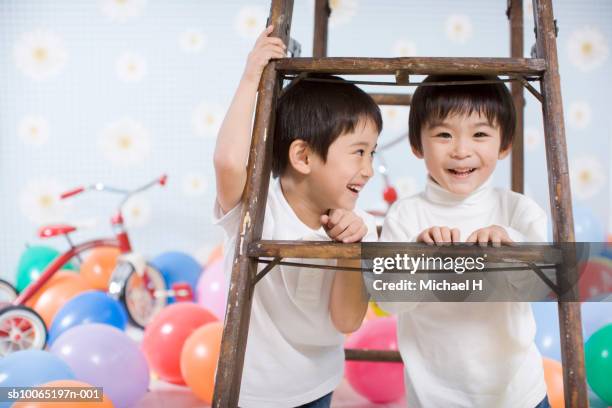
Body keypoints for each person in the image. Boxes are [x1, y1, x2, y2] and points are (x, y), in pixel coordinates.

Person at [213, 25, 382, 407]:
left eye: (372, 154)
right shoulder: (255, 208)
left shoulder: (361, 225)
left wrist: (349, 250)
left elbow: (347, 321)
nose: (369, 169)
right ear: (303, 157)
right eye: (358, 152)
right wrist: (250, 77)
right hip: (250, 391)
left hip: (317, 387)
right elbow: (227, 160)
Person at [379, 74, 551, 408]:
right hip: (434, 397)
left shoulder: (517, 210)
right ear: (417, 144)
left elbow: (541, 285)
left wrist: (509, 246)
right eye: (443, 134)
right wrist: (418, 258)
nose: (461, 150)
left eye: (480, 134)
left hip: (517, 392)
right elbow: (388, 300)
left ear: (504, 144)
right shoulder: (405, 214)